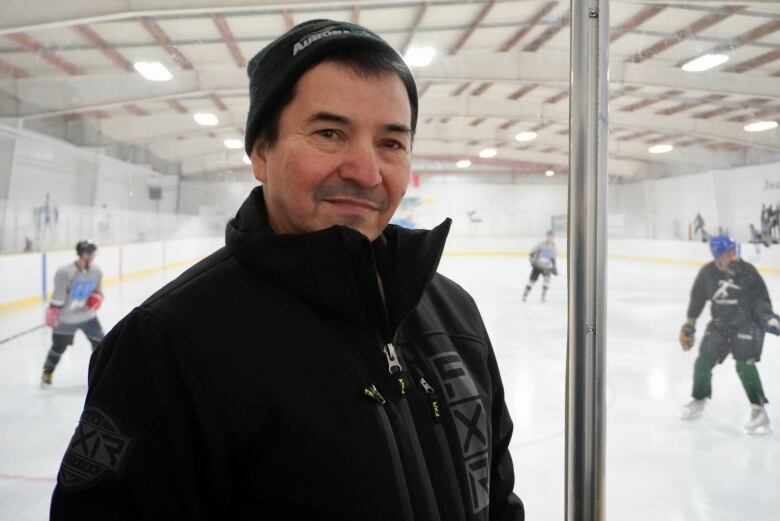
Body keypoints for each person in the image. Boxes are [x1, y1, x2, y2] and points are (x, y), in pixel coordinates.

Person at [50, 20, 525, 521]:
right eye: (329, 133)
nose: (366, 172)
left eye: (391, 143)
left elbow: (497, 499)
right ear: (261, 152)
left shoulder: (454, 313)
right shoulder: (167, 344)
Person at [679, 235, 780, 433]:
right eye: (727, 253)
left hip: (747, 323)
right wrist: (689, 326)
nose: (733, 255)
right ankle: (699, 398)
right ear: (717, 256)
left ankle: (759, 411)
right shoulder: (707, 273)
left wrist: (768, 318)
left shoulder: (748, 272)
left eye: (734, 250)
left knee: (744, 364)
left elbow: (760, 300)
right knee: (703, 362)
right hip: (720, 323)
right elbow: (697, 300)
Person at [41, 240, 104, 387]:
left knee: (101, 345)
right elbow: (58, 296)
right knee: (58, 347)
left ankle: (101, 375)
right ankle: (47, 372)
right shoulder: (65, 272)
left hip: (88, 316)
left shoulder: (96, 271)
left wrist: (97, 297)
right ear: (84, 253)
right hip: (66, 319)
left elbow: (98, 291)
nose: (94, 255)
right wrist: (53, 312)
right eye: (92, 252)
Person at [522, 230, 558, 302]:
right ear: (547, 236)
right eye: (549, 236)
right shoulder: (541, 245)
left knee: (547, 282)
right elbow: (532, 253)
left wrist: (554, 267)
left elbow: (553, 258)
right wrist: (532, 262)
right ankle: (525, 295)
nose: (550, 238)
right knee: (531, 281)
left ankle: (543, 296)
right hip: (537, 266)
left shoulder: (554, 247)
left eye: (552, 236)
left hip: (547, 268)